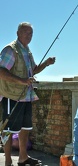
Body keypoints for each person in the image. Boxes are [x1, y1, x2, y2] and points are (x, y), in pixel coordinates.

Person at [0, 22, 56, 166]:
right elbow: (1, 72)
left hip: (26, 96)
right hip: (11, 96)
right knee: (7, 130)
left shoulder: (27, 51)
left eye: (31, 33)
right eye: (26, 32)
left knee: (25, 128)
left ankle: (23, 158)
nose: (29, 35)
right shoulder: (10, 50)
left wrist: (46, 63)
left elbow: (34, 70)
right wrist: (22, 81)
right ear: (18, 33)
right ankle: (7, 162)